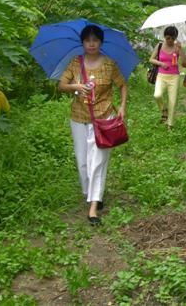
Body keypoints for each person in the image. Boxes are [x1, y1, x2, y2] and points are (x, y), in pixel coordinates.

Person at [58, 25, 128, 226]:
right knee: (83, 162)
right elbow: (61, 85)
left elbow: (123, 85)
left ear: (100, 42)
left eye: (95, 40)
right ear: (82, 43)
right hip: (79, 117)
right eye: (87, 40)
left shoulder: (109, 64)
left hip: (104, 118)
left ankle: (93, 207)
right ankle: (91, 193)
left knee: (97, 161)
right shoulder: (75, 63)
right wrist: (76, 86)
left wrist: (122, 107)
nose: (91, 44)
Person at [148, 26, 181, 130]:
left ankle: (170, 124)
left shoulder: (177, 47)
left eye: (172, 38)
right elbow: (151, 59)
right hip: (161, 75)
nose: (170, 40)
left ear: (176, 37)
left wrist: (180, 50)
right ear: (164, 37)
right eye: (168, 38)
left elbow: (184, 62)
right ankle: (164, 110)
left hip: (174, 76)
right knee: (157, 95)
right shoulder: (160, 45)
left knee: (172, 101)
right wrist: (161, 64)